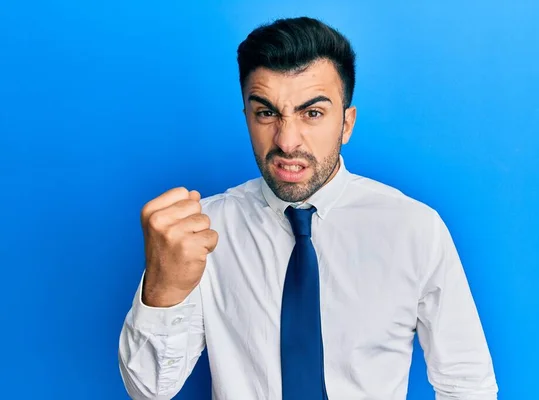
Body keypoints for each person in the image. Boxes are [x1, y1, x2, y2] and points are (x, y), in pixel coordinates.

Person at [118, 16, 498, 400]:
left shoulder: (415, 229)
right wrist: (165, 286)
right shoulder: (204, 231)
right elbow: (148, 389)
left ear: (346, 124)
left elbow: (466, 382)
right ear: (247, 116)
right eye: (266, 113)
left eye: (312, 113)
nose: (286, 140)